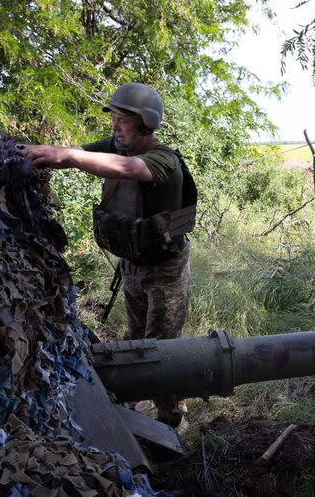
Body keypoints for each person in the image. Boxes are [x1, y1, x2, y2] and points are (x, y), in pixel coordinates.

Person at [20, 82, 193, 427]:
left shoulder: (164, 160)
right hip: (132, 265)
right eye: (113, 118)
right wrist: (34, 154)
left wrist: (68, 156)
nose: (115, 126)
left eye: (123, 120)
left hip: (165, 271)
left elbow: (125, 169)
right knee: (135, 336)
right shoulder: (118, 147)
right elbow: (78, 155)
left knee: (160, 349)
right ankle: (128, 403)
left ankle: (171, 417)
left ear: (145, 123)